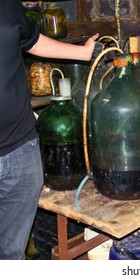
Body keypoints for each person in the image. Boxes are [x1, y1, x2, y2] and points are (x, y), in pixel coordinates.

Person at [0, 0, 99, 260]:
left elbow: (32, 41)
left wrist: (82, 53)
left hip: (21, 151)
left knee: (11, 253)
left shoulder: (8, 5)